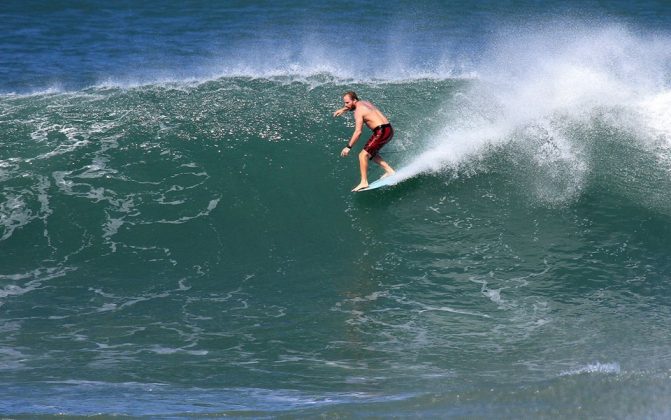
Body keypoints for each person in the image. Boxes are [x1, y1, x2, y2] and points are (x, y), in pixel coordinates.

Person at [333, 91, 395, 191]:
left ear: (354, 100)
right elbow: (352, 107)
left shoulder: (358, 112)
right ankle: (389, 170)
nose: (346, 105)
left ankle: (364, 182)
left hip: (381, 131)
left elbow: (358, 132)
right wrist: (343, 109)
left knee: (362, 155)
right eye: (344, 103)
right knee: (371, 153)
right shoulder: (365, 103)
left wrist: (348, 147)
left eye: (347, 103)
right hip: (389, 129)